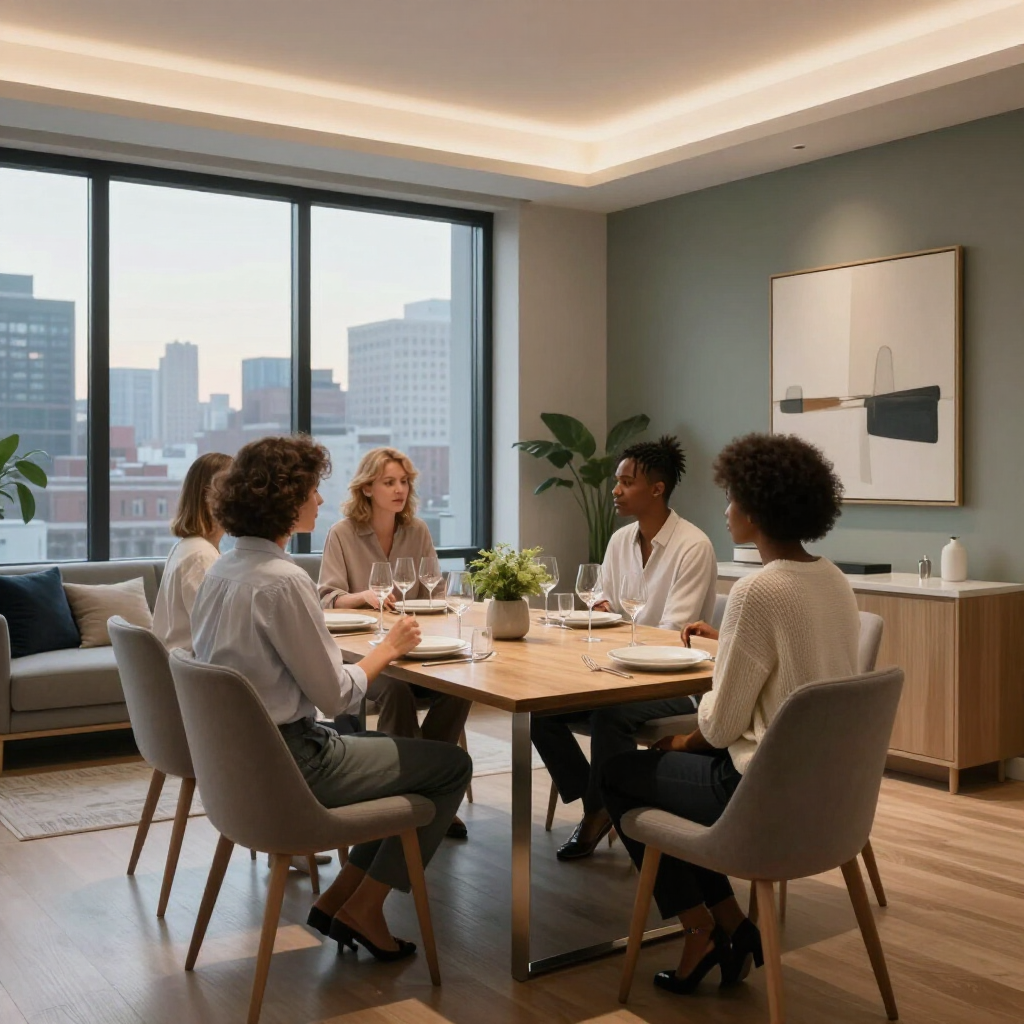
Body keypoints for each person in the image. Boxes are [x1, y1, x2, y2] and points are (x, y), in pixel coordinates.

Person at [191, 435, 472, 961]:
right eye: (311, 490)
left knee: (411, 764)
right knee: (450, 766)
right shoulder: (282, 582)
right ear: (285, 498)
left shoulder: (222, 571)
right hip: (296, 762)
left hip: (236, 766)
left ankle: (342, 899)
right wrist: (386, 650)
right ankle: (366, 905)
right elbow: (338, 696)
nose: (320, 501)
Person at [600, 432, 860, 996]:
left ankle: (701, 928)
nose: (726, 509)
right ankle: (732, 927)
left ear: (757, 508)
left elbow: (719, 726)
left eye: (733, 498)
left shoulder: (756, 590)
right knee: (659, 764)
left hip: (758, 792)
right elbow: (798, 670)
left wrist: (684, 736)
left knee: (618, 776)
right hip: (831, 792)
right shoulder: (834, 580)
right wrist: (730, 646)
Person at [531, 435, 717, 860]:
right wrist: (602, 610)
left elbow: (673, 634)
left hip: (674, 683)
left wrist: (615, 618)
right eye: (616, 481)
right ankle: (596, 798)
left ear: (657, 488)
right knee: (538, 710)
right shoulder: (620, 541)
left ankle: (600, 812)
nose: (615, 490)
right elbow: (608, 606)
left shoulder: (693, 546)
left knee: (610, 715)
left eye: (626, 482)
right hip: (619, 669)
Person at [318, 446, 473, 838]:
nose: (399, 489)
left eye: (403, 482)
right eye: (389, 482)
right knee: (398, 692)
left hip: (415, 644)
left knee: (462, 688)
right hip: (364, 655)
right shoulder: (342, 533)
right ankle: (414, 791)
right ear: (367, 488)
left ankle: (427, 789)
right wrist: (363, 597)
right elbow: (326, 599)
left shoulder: (416, 530)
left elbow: (434, 593)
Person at [152, 452, 231, 652]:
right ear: (210, 496)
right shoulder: (201, 556)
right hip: (194, 672)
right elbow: (214, 635)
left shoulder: (187, 547)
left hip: (184, 668)